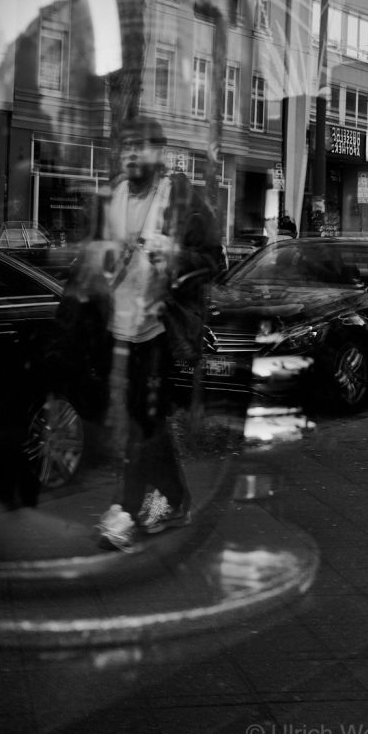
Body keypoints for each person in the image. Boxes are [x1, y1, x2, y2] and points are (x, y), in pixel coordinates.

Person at [90, 116, 224, 551]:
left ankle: (127, 510)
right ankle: (176, 499)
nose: (131, 154)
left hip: (158, 331)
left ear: (159, 154)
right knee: (150, 423)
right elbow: (99, 259)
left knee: (139, 422)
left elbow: (214, 261)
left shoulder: (179, 196)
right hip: (117, 329)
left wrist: (176, 252)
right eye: (126, 146)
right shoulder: (113, 194)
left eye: (141, 146)